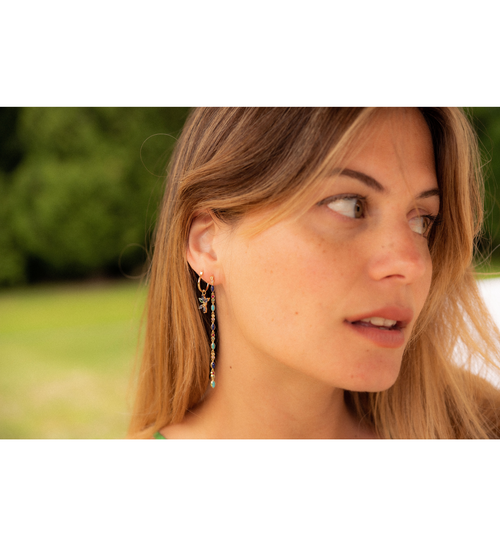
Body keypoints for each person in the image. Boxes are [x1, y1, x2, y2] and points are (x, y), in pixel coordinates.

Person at [128, 108, 500, 439]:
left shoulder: (480, 430)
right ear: (207, 244)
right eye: (350, 206)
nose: (411, 263)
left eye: (421, 220)